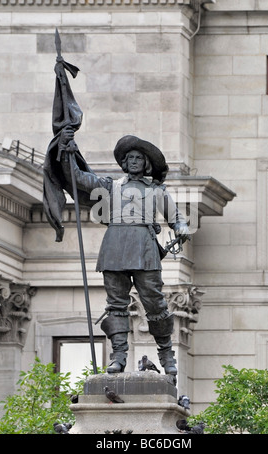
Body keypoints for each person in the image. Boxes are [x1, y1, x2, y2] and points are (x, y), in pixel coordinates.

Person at [58, 127, 189, 376]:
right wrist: (66, 150)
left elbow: (176, 217)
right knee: (115, 304)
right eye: (130, 158)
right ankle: (118, 356)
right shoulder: (110, 186)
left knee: (154, 302)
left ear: (147, 164)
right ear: (124, 163)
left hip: (144, 247)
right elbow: (78, 178)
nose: (134, 161)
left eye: (139, 158)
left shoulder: (156, 191)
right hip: (115, 247)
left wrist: (182, 227)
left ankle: (166, 353)